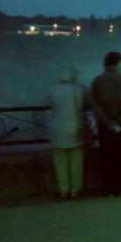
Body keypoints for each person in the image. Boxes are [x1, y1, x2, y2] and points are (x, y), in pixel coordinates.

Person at [90, 51, 121, 195]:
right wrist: (120, 122)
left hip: (105, 127)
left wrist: (109, 123)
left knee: (108, 158)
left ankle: (110, 189)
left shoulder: (97, 81)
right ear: (118, 63)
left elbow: (95, 105)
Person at [48, 67, 91, 198]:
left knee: (60, 163)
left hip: (58, 129)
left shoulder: (53, 89)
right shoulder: (79, 89)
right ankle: (75, 190)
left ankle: (63, 190)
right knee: (76, 162)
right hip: (75, 129)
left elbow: (49, 103)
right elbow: (86, 105)